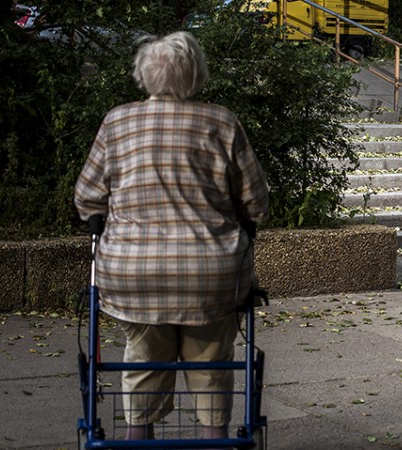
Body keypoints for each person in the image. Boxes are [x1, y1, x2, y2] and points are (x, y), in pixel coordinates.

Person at [73, 31, 270, 441]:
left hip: (133, 275)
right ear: (196, 75)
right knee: (212, 358)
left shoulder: (117, 122)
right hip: (211, 275)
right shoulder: (222, 122)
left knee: (143, 356)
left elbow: (88, 198)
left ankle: (137, 437)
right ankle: (215, 438)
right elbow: (255, 201)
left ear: (143, 76)